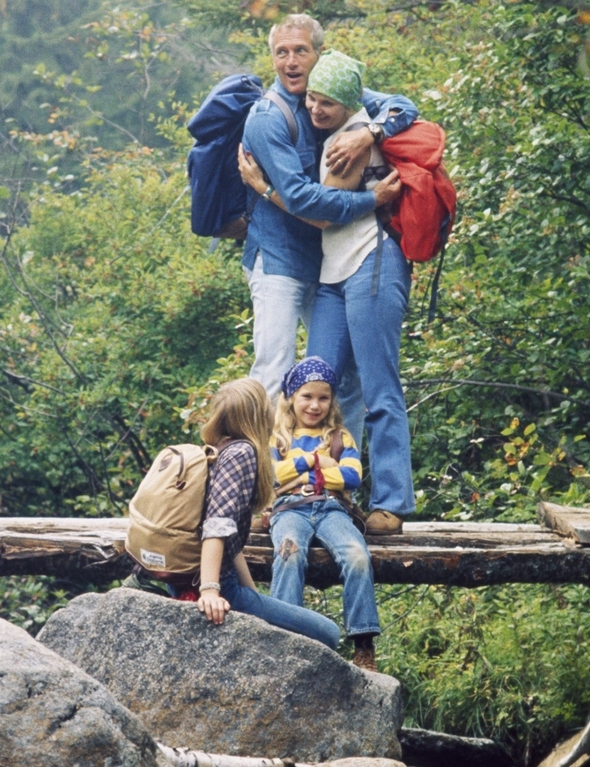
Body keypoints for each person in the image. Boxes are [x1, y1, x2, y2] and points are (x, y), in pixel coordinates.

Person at [240, 49, 415, 534]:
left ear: (349, 103)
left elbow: (316, 211)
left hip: (372, 262)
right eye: (312, 100)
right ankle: (302, 492)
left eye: (327, 104)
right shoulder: (345, 126)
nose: (316, 110)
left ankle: (392, 503)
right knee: (314, 387)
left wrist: (264, 189)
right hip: (333, 273)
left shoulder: (348, 140)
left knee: (380, 384)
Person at [194, 377, 341, 650]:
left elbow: (231, 538)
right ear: (258, 415)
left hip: (217, 580)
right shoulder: (242, 453)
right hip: (219, 586)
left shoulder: (221, 449)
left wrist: (251, 595)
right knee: (329, 633)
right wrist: (210, 591)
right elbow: (216, 524)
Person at [267, 357, 380, 671]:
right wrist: (313, 464)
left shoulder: (340, 437)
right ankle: (283, 639)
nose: (315, 405)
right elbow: (274, 475)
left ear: (332, 401)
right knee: (288, 553)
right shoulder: (278, 438)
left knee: (357, 555)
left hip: (331, 508)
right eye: (307, 396)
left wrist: (300, 473)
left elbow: (353, 476)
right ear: (291, 397)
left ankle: (363, 642)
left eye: (323, 397)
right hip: (290, 509)